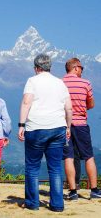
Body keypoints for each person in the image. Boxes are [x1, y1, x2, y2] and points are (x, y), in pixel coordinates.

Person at [18, 54, 72, 212]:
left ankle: (32, 203)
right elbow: (69, 108)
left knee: (32, 167)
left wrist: (21, 125)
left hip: (36, 128)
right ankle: (57, 205)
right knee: (55, 167)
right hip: (58, 128)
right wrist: (67, 127)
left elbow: (27, 102)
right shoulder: (60, 83)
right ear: (50, 67)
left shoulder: (32, 81)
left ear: (36, 68)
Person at [62, 58, 101, 200]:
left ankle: (73, 192)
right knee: (89, 157)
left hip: (64, 125)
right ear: (75, 68)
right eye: (81, 68)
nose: (82, 71)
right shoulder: (85, 83)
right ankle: (94, 190)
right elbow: (91, 104)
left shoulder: (59, 83)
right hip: (81, 124)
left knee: (68, 157)